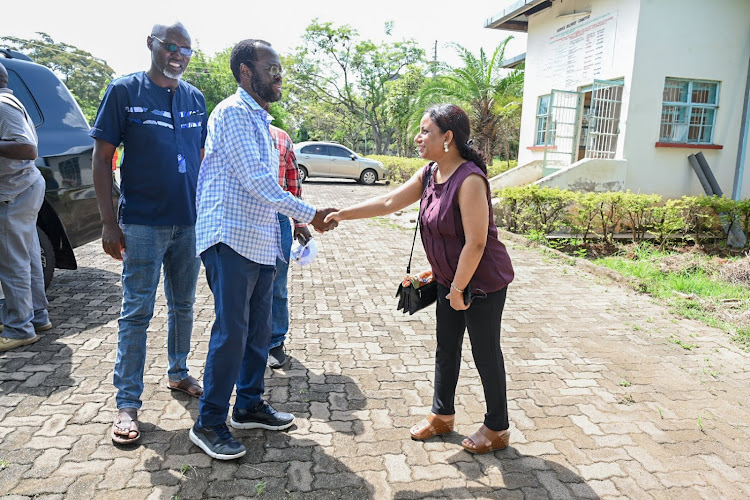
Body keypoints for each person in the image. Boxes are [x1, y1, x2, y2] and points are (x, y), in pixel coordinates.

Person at [325, 103, 515, 454]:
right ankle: (442, 415)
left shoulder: (469, 179)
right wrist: (341, 214)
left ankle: (498, 427)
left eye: (425, 130)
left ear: (448, 137)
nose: (418, 136)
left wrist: (458, 289)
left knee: (485, 352)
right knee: (446, 348)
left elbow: (476, 242)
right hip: (449, 278)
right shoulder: (430, 173)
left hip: (482, 282)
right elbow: (387, 203)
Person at [190, 39, 337, 460]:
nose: (278, 75)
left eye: (279, 68)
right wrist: (308, 213)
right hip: (229, 238)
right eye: (269, 68)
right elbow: (258, 182)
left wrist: (291, 224)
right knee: (231, 333)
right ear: (245, 72)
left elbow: (266, 187)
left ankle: (249, 405)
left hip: (259, 239)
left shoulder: (262, 120)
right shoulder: (232, 113)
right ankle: (209, 422)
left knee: (258, 331)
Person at [90, 22, 207, 445]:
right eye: (170, 46)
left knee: (184, 305)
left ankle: (178, 372)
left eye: (186, 49)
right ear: (152, 45)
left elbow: (200, 159)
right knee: (137, 312)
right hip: (140, 223)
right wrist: (108, 222)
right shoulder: (124, 91)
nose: (178, 54)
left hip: (188, 223)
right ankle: (127, 403)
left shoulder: (195, 98)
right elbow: (102, 159)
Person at [0, 61, 52, 353]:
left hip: (14, 191)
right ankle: (37, 316)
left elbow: (26, 149)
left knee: (13, 260)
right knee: (29, 255)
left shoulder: (2, 106)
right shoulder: (11, 99)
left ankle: (19, 328)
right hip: (24, 187)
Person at [267, 124, 311, 369]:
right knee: (242, 287)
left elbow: (293, 185)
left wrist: (300, 221)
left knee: (277, 285)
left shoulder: (281, 137)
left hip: (279, 220)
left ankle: (275, 343)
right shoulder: (233, 128)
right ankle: (246, 343)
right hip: (243, 221)